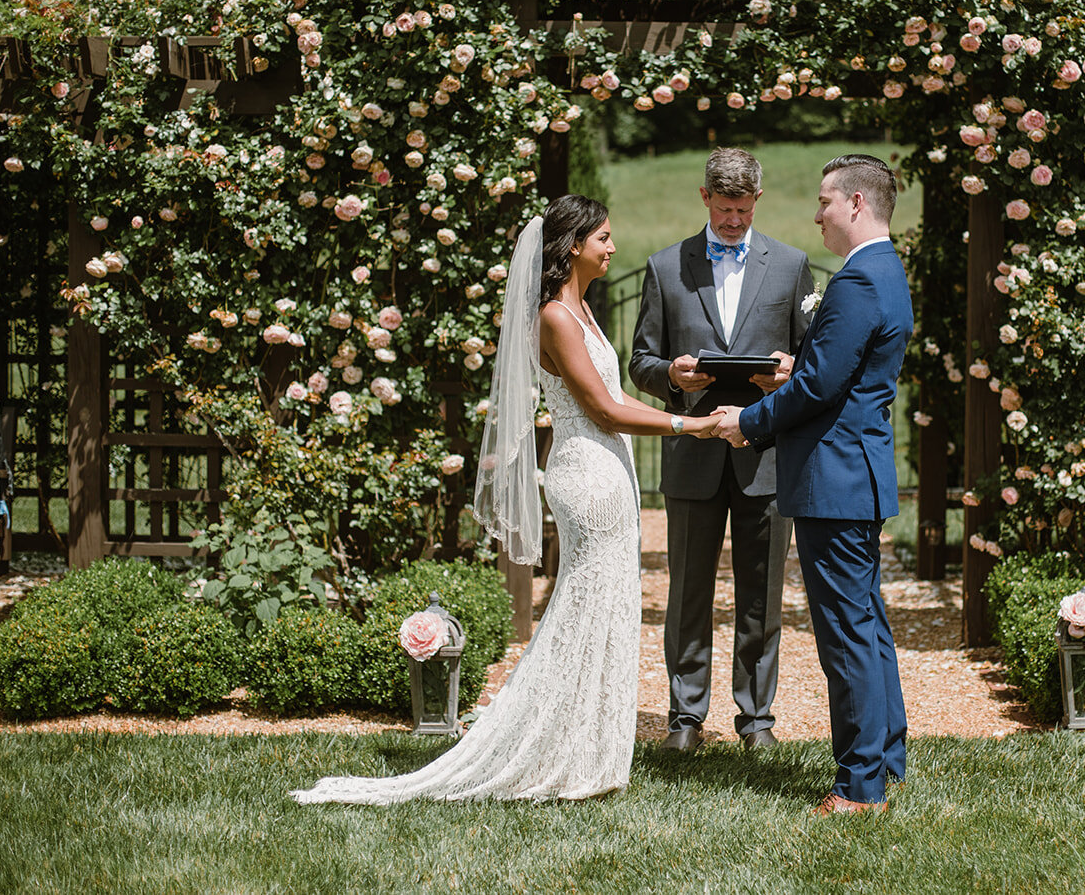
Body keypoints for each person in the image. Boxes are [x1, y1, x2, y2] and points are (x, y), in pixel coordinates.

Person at [292, 195, 720, 805]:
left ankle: (588, 752)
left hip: (609, 467)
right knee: (583, 613)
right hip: (588, 474)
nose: (612, 247)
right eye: (603, 237)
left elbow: (611, 401)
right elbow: (602, 408)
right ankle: (550, 749)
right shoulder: (555, 317)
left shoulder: (583, 311)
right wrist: (694, 426)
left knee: (605, 613)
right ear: (573, 245)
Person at [711, 154, 912, 816]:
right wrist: (808, 368)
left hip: (835, 476)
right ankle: (886, 759)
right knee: (869, 624)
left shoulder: (856, 281)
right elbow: (838, 373)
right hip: (858, 470)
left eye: (825, 200)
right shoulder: (887, 269)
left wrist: (748, 420)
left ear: (857, 203)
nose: (817, 212)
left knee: (846, 631)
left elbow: (822, 389)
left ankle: (859, 786)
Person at [629, 148, 814, 753]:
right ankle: (685, 717)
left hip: (765, 454)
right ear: (704, 197)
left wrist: (787, 373)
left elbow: (814, 361)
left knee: (761, 596)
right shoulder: (664, 266)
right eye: (724, 209)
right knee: (686, 592)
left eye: (742, 210)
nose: (733, 221)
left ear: (756, 200)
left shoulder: (790, 266)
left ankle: (756, 719)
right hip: (693, 455)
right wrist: (674, 379)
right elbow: (642, 362)